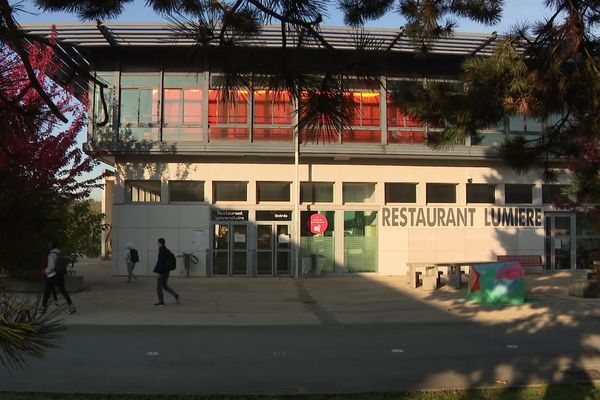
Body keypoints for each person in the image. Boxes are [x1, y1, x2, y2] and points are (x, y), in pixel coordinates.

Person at [41, 241, 76, 314]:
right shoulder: (59, 253)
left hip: (52, 275)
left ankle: (42, 308)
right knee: (63, 291)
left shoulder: (51, 254)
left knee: (47, 292)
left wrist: (45, 271)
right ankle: (71, 306)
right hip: (60, 274)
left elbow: (51, 267)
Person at [153, 238, 179, 306]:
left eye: (157, 242)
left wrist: (158, 272)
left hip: (162, 271)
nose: (157, 244)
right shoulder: (167, 250)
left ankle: (161, 302)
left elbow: (160, 262)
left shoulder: (162, 250)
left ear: (160, 243)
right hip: (167, 271)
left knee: (159, 287)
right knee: (164, 285)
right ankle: (175, 294)